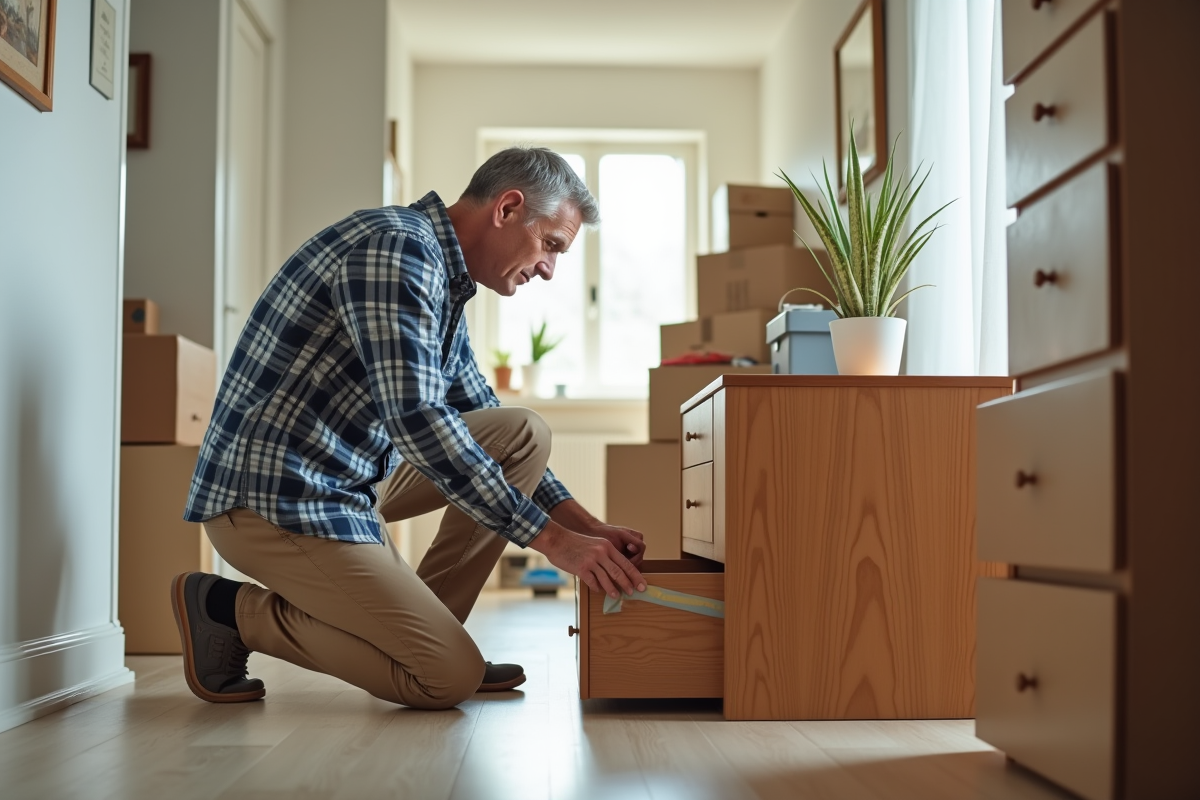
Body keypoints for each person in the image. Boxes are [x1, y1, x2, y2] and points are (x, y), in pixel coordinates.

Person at [170, 147, 648, 709]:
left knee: (522, 433)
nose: (548, 268)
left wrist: (585, 527)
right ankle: (229, 612)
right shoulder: (396, 249)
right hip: (275, 497)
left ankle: (428, 635)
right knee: (445, 678)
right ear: (508, 208)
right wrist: (551, 541)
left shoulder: (443, 276)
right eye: (551, 245)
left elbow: (477, 409)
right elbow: (418, 419)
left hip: (347, 481)